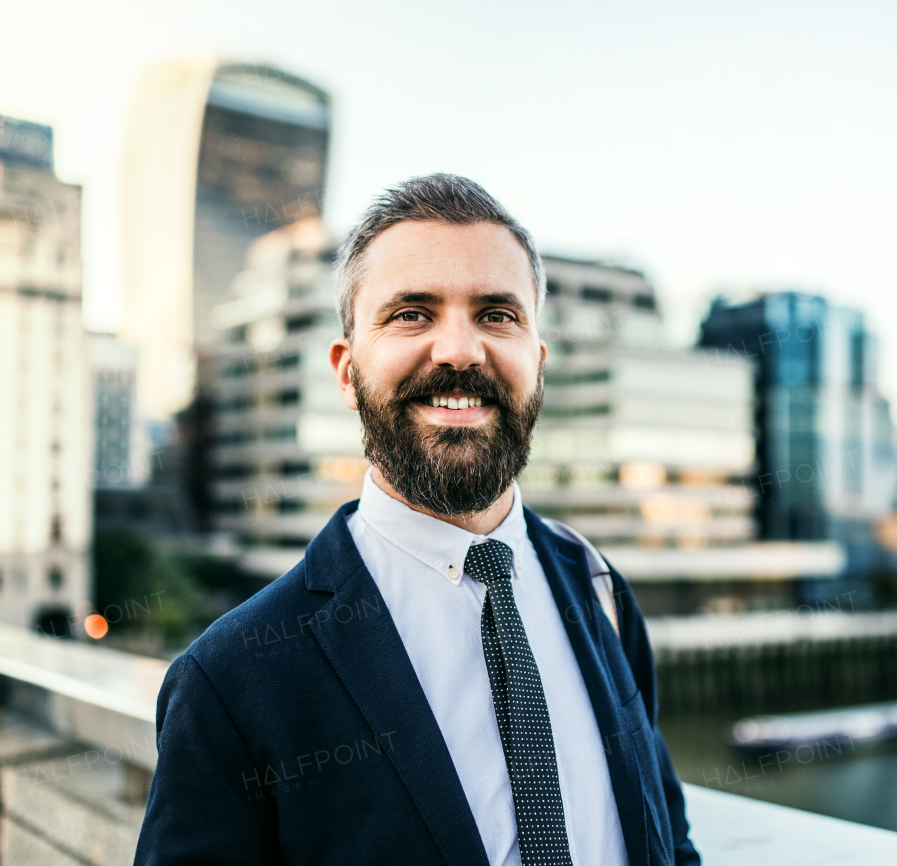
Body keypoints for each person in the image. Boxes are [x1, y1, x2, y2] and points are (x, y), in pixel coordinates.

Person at [134, 174, 701, 866]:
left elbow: (668, 838)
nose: (460, 351)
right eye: (412, 314)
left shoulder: (601, 591)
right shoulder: (229, 681)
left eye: (498, 314)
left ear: (539, 367)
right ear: (346, 373)